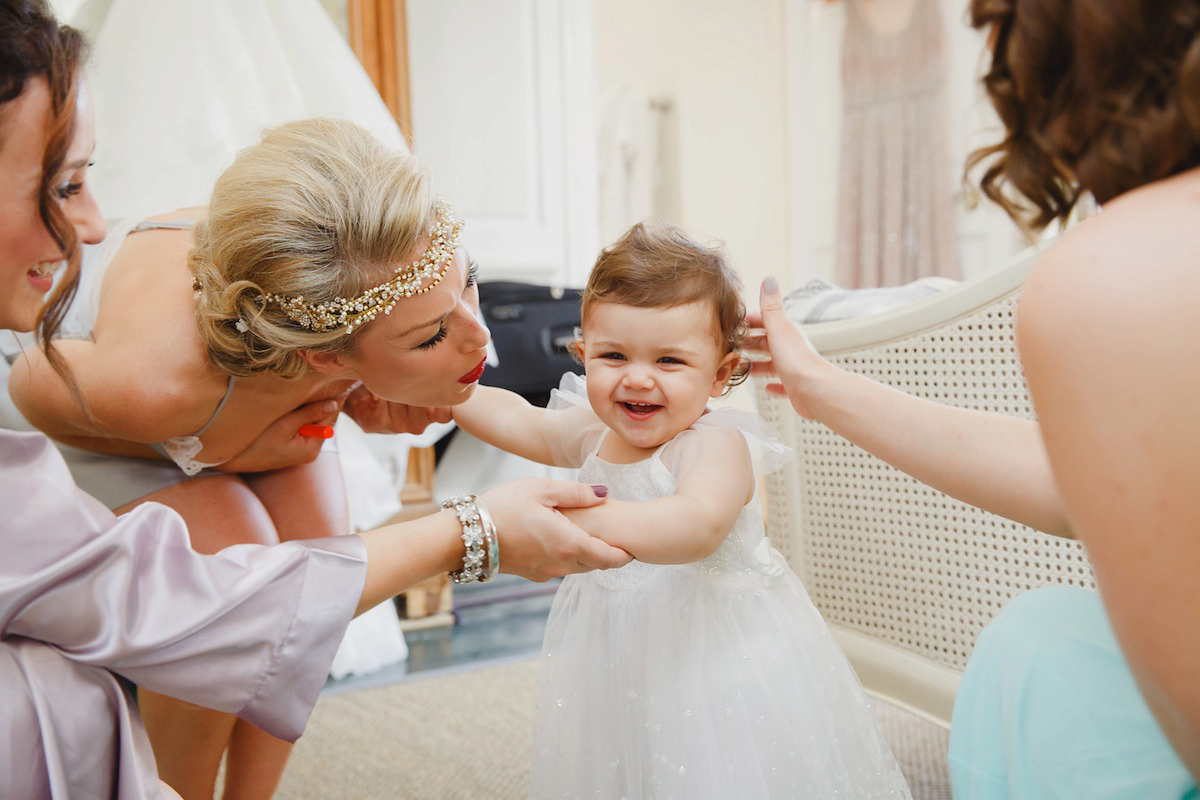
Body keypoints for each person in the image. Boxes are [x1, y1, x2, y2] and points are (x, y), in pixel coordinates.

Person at [0, 2, 629, 798]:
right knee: (233, 534)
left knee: (317, 537)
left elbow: (527, 422)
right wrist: (237, 446)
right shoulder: (154, 383)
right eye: (432, 337)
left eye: (467, 282)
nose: (480, 343)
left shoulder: (354, 294)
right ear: (331, 354)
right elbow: (26, 394)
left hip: (258, 391)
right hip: (100, 430)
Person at [750, 1, 1200, 797]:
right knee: (1035, 637)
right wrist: (819, 387)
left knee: (1035, 665)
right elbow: (1082, 482)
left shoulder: (1104, 276)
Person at [452, 221, 912, 799]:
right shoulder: (591, 429)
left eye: (669, 361)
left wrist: (567, 518)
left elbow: (695, 528)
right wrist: (446, 392)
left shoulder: (714, 444)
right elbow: (522, 420)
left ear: (719, 373)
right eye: (613, 355)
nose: (637, 377)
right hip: (620, 645)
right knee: (627, 753)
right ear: (582, 353)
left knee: (718, 769)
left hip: (718, 655)